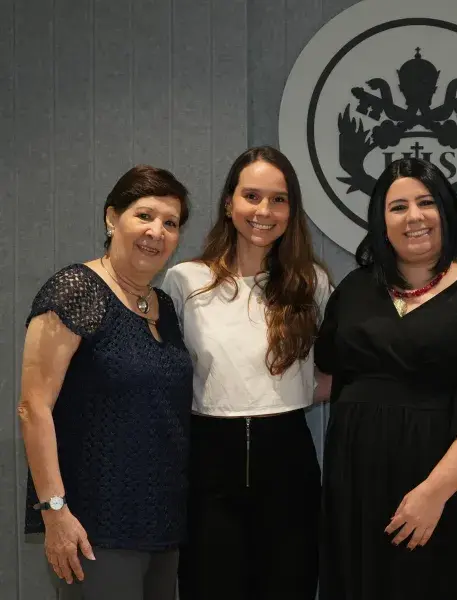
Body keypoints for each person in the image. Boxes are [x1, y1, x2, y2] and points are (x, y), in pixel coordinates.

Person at [315, 157, 457, 600]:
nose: (413, 217)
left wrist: (434, 494)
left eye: (426, 202)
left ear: (447, 212)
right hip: (357, 491)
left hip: (450, 491)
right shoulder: (355, 291)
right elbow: (325, 378)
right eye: (398, 207)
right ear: (381, 220)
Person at [161, 146, 331, 600]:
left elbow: (330, 373)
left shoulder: (310, 283)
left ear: (291, 211)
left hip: (288, 457)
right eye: (252, 196)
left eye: (278, 200)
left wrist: (281, 394)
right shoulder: (184, 281)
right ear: (228, 203)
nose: (264, 211)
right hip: (208, 461)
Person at [17, 166, 193, 600]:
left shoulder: (164, 306)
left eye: (170, 223)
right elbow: (33, 407)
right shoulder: (76, 289)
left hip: (161, 526)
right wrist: (55, 512)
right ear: (112, 218)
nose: (157, 231)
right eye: (144, 215)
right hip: (95, 528)